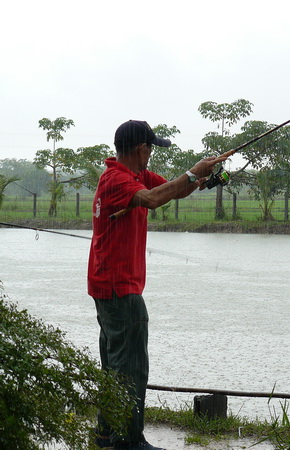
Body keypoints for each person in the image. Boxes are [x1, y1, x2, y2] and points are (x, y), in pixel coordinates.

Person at [88, 120, 228, 449]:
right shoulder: (117, 180)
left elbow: (168, 191)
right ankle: (128, 441)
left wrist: (200, 177)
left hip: (108, 285)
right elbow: (152, 199)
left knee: (114, 364)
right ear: (141, 149)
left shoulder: (131, 176)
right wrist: (192, 174)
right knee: (130, 368)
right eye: (150, 148)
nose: (151, 154)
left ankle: (106, 433)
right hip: (120, 288)